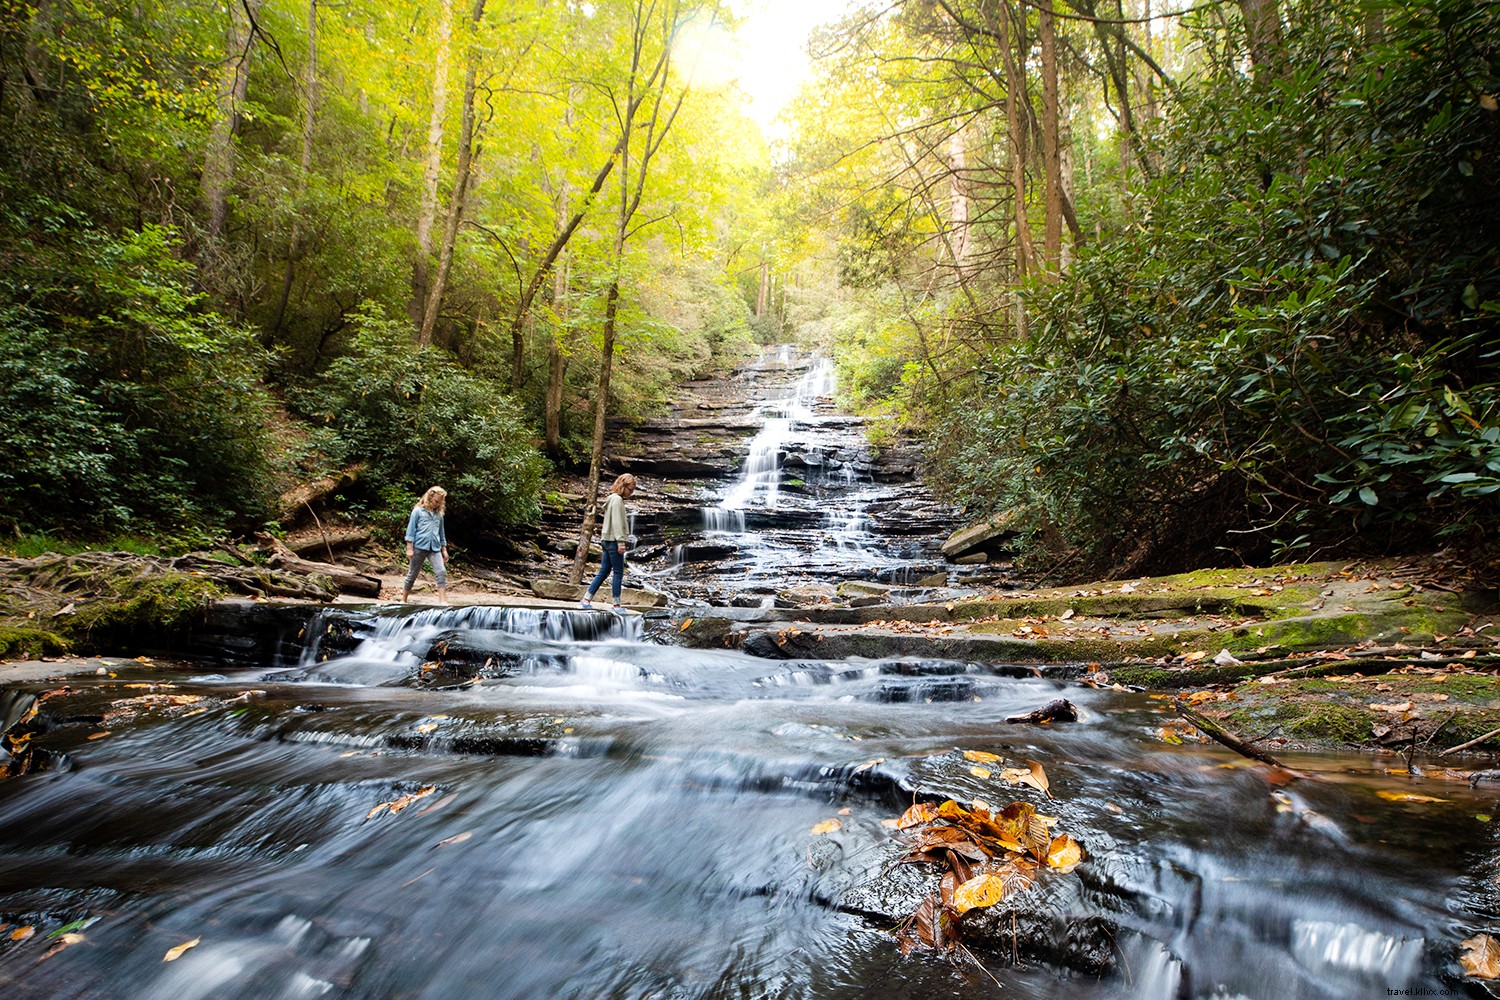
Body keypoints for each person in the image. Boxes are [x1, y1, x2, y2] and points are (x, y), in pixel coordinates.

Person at [581, 473, 637, 610]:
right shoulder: (617, 500)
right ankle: (616, 605)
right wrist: (621, 542)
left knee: (604, 571)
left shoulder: (611, 498)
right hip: (614, 541)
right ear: (624, 486)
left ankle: (586, 599)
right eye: (630, 489)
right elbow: (617, 522)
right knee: (618, 572)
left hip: (606, 540)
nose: (631, 493)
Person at [402, 486, 449, 604]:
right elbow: (411, 530)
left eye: (440, 502)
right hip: (419, 546)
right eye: (436, 501)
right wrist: (409, 547)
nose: (438, 504)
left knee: (441, 572)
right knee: (412, 574)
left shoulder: (439, 514)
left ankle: (442, 602)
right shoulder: (418, 511)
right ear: (430, 497)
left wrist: (444, 550)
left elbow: (441, 532)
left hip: (435, 548)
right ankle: (403, 600)